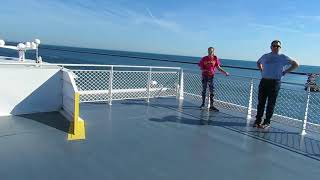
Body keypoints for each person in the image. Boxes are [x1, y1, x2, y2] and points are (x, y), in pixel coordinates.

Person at [253, 40, 299, 129]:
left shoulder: (283, 57)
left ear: (280, 48)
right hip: (264, 81)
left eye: (278, 46)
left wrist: (285, 71)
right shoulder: (265, 56)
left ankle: (267, 122)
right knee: (261, 103)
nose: (276, 47)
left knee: (271, 103)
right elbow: (258, 63)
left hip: (275, 82)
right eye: (274, 46)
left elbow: (296, 64)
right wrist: (261, 70)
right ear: (271, 47)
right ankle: (258, 121)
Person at [198, 47, 229, 111]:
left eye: (211, 51)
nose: (210, 52)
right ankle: (203, 104)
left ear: (213, 52)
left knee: (212, 91)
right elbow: (201, 68)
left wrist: (225, 72)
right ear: (207, 51)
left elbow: (218, 67)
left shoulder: (215, 58)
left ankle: (211, 106)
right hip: (205, 76)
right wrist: (206, 70)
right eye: (209, 51)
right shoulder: (204, 58)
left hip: (211, 77)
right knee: (204, 90)